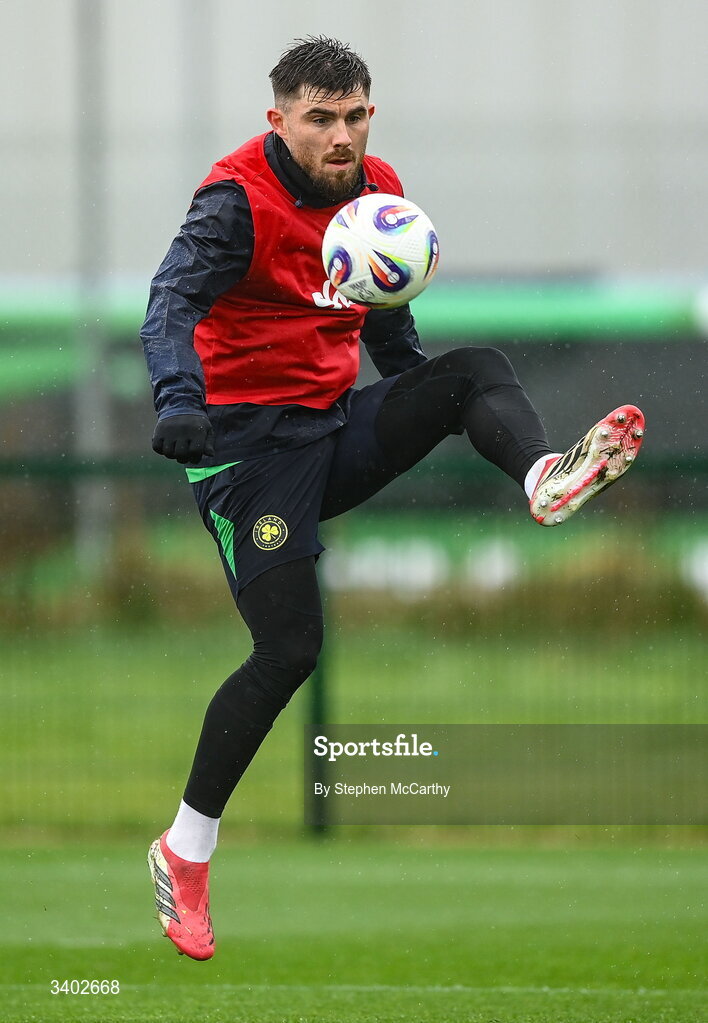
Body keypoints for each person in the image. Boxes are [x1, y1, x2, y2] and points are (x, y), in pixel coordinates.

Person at [141, 36, 644, 960]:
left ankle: (542, 477)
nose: (342, 136)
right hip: (244, 454)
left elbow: (389, 314)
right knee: (289, 648)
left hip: (330, 427)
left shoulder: (379, 187)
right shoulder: (235, 202)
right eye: (321, 118)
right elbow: (169, 301)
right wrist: (178, 401)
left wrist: (428, 399)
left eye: (356, 115)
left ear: (372, 113)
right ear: (279, 121)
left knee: (472, 371)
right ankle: (185, 849)